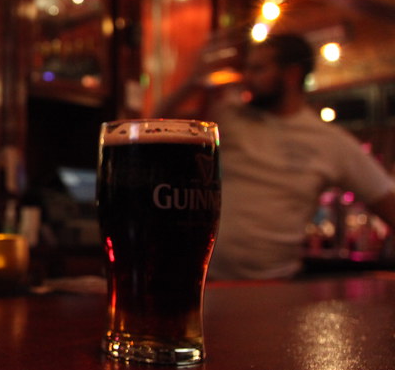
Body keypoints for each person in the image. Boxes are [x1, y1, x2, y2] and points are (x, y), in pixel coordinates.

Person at [157, 33, 395, 281]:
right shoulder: (227, 118)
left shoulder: (331, 142)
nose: (247, 78)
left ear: (292, 75)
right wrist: (193, 83)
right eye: (247, 68)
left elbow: (388, 202)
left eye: (258, 69)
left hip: (275, 286)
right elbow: (158, 124)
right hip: (203, 281)